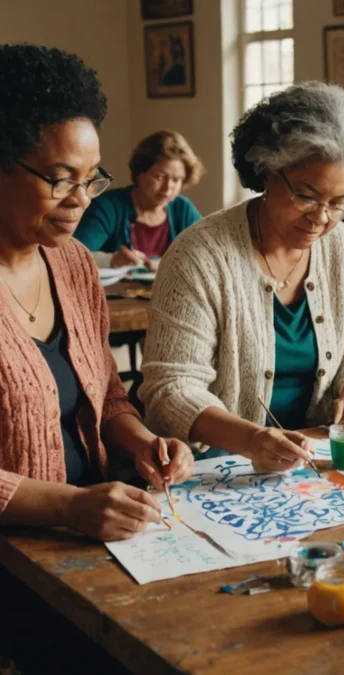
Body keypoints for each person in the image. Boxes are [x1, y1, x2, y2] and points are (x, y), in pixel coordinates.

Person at [140, 82, 344, 472]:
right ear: (268, 172)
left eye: (339, 203)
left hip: (315, 459)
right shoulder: (200, 255)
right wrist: (251, 439)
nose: (321, 218)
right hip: (218, 465)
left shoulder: (342, 247)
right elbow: (170, 388)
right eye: (307, 196)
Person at [0, 44, 195, 541]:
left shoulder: (73, 264)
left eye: (91, 180)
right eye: (62, 179)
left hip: (89, 535)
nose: (82, 200)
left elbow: (105, 395)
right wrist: (70, 505)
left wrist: (142, 442)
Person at [74, 130, 203, 270]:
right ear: (140, 173)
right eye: (159, 177)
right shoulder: (108, 207)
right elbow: (73, 255)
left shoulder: (182, 209)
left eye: (176, 180)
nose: (168, 188)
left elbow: (207, 254)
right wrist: (112, 259)